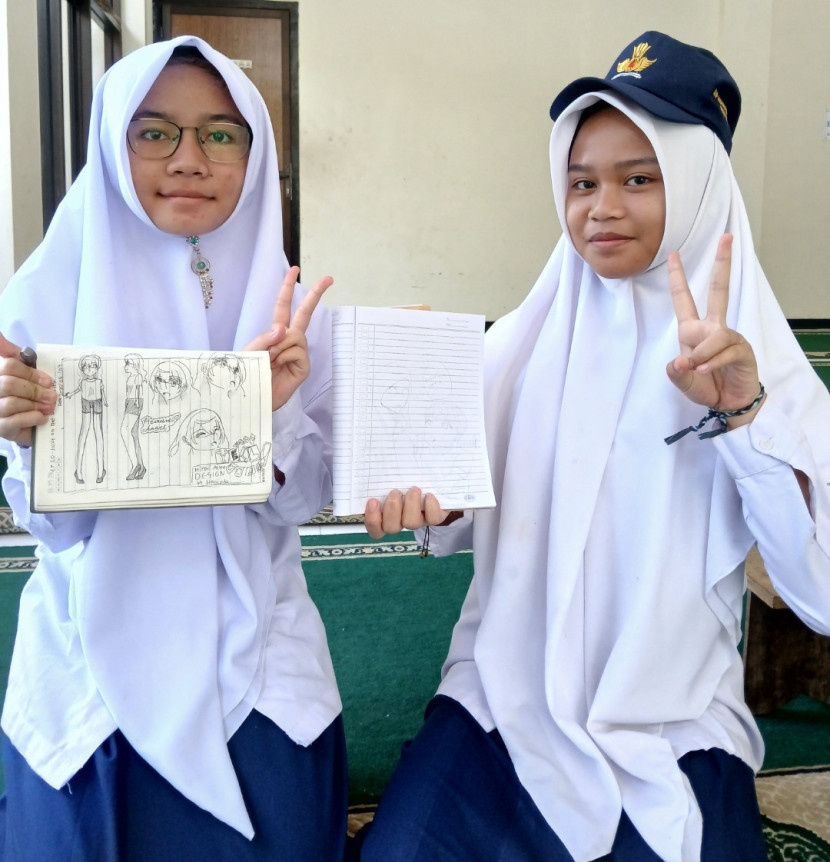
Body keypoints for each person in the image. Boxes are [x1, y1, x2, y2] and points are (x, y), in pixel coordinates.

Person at [358, 31, 830, 862]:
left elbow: (819, 592)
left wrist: (744, 420)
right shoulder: (516, 348)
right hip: (504, 695)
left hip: (673, 714)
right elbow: (453, 514)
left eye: (639, 179)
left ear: (698, 186)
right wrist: (435, 507)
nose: (601, 207)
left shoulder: (765, 376)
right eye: (582, 182)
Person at [0, 36, 348, 861]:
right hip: (88, 660)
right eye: (154, 132)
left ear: (255, 157)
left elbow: (302, 505)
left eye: (221, 134)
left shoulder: (295, 312)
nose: (189, 159)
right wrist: (27, 441)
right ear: (110, 143)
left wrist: (266, 418)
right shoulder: (44, 297)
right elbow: (55, 532)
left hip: (258, 653)